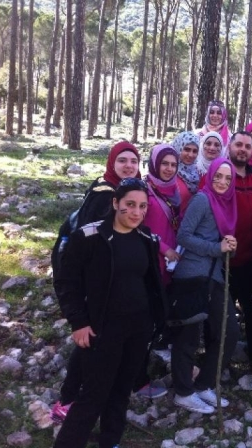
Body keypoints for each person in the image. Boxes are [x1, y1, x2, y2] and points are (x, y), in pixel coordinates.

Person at [53, 178, 166, 448]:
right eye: (130, 205)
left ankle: (110, 441)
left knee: (121, 391)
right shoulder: (90, 237)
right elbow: (66, 282)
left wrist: (156, 321)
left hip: (138, 329)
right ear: (115, 203)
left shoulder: (146, 238)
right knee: (94, 394)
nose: (136, 212)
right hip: (102, 328)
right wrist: (78, 322)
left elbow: (150, 282)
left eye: (142, 206)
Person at [51, 142, 151, 423]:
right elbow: (89, 246)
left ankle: (98, 396)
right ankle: (68, 399)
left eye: (133, 161)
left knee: (100, 343)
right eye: (122, 160)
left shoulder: (128, 191)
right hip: (98, 286)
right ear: (112, 163)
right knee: (89, 342)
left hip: (116, 285)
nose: (129, 166)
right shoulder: (104, 194)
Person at [171, 157, 239, 414]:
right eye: (218, 176)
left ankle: (203, 384)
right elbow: (183, 236)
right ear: (210, 176)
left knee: (228, 332)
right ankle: (183, 392)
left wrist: (229, 247)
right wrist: (216, 248)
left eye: (228, 178)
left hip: (215, 276)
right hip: (193, 275)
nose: (222, 182)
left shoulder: (228, 204)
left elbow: (220, 244)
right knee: (188, 337)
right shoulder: (202, 199)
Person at [224, 131, 252, 367]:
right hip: (225, 261)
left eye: (247, 146)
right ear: (230, 146)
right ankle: (219, 365)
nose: (243, 149)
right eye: (238, 144)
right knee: (222, 316)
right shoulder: (220, 176)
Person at [143, 144, 181, 285]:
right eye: (164, 163)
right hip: (151, 254)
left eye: (173, 165)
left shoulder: (174, 189)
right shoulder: (143, 190)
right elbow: (137, 228)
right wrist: (164, 249)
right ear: (155, 164)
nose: (169, 169)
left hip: (172, 258)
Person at [172, 131, 201, 210]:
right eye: (187, 149)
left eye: (194, 151)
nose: (191, 155)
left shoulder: (197, 172)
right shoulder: (170, 173)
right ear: (178, 148)